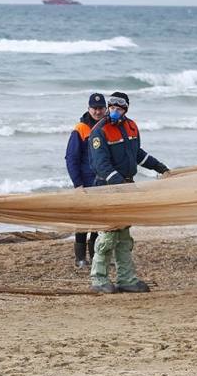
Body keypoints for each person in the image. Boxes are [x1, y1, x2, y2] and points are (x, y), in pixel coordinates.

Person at [87, 92, 170, 293]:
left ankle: (126, 279)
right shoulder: (99, 131)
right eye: (112, 105)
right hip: (106, 188)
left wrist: (160, 167)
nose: (114, 109)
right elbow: (101, 165)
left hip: (126, 186)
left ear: (126, 108)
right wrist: (118, 183)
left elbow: (137, 154)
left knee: (124, 237)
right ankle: (98, 280)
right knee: (107, 236)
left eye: (119, 106)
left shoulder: (131, 126)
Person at [65, 93, 106, 267]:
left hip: (103, 182)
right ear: (88, 108)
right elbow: (71, 158)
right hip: (85, 182)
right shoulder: (80, 129)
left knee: (99, 221)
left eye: (100, 108)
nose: (97, 111)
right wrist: (77, 184)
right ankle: (80, 259)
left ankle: (95, 256)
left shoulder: (107, 127)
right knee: (82, 221)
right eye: (94, 108)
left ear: (105, 109)